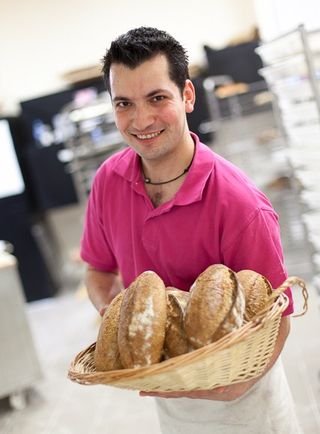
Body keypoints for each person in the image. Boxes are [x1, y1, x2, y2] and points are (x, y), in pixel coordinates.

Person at [80, 27, 301, 433]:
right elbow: (97, 270)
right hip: (172, 403)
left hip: (248, 403)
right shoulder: (108, 182)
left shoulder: (239, 205)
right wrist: (121, 317)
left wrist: (234, 387)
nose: (141, 120)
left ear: (187, 96)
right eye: (124, 103)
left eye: (157, 98)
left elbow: (278, 319)